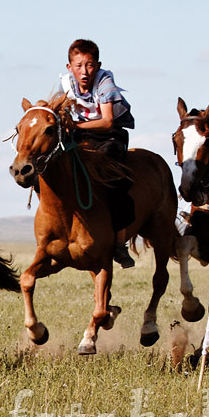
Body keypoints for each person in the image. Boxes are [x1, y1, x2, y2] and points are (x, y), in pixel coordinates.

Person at [60, 39, 137, 268]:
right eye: (79, 66)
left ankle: (120, 243)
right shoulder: (66, 84)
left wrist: (75, 127)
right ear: (69, 67)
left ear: (98, 64)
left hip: (110, 136)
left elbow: (107, 121)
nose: (84, 72)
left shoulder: (105, 83)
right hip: (82, 134)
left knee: (116, 182)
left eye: (90, 65)